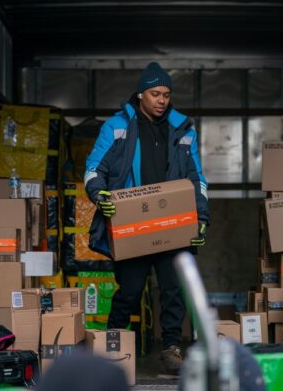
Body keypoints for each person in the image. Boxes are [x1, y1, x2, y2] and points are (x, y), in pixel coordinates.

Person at [84, 62, 210, 375]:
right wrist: (100, 196)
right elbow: (94, 169)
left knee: (173, 291)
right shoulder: (117, 127)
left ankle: (171, 350)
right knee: (129, 291)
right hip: (132, 226)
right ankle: (111, 347)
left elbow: (197, 179)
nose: (162, 100)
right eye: (155, 94)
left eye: (166, 94)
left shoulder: (183, 130)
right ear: (141, 94)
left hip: (173, 224)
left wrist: (201, 217)